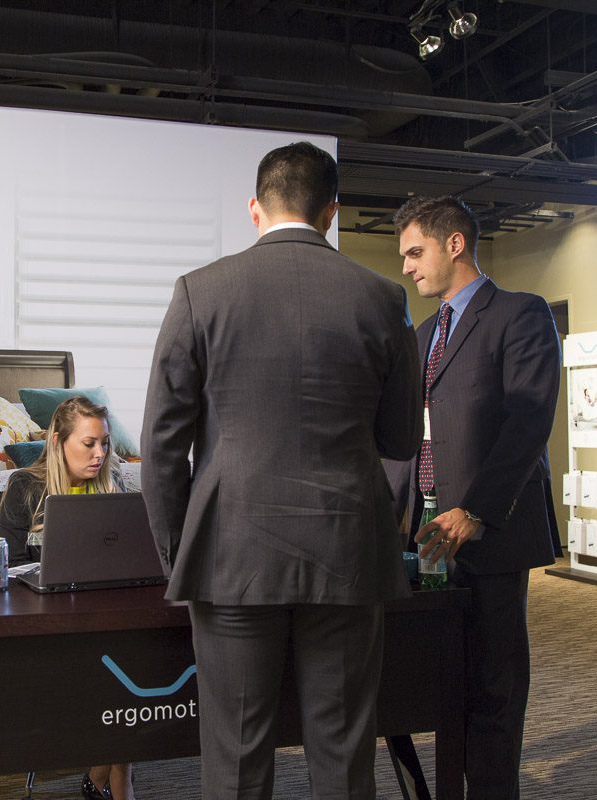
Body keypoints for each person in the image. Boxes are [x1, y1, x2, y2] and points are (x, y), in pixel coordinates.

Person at [141, 141, 422, 799]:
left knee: (237, 760)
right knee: (345, 756)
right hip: (348, 553)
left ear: (254, 209)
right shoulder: (383, 298)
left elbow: (160, 447)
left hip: (230, 559)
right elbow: (401, 438)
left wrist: (182, 554)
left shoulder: (199, 293)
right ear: (331, 212)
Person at [384, 195, 561, 800]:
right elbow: (404, 437)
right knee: (436, 681)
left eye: (415, 252)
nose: (407, 267)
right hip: (425, 534)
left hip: (488, 532)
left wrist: (479, 509)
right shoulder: (422, 334)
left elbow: (528, 422)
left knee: (493, 689)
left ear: (454, 244)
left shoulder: (520, 314)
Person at [0, 395, 134, 800]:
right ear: (57, 441)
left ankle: (108, 777)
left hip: (105, 622)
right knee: (120, 670)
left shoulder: (114, 485)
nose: (100, 453)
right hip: (51, 630)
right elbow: (10, 568)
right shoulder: (25, 487)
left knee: (130, 656)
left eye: (105, 443)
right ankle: (117, 780)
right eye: (88, 444)